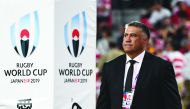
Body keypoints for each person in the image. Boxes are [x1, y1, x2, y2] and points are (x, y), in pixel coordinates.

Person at [96, 21, 182, 109]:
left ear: (145, 41)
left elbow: (173, 104)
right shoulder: (110, 67)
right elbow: (103, 105)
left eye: (133, 35)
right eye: (125, 35)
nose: (127, 39)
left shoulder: (162, 67)